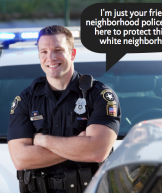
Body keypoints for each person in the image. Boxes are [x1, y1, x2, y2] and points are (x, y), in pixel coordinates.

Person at [7, 25, 121, 193]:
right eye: (44, 51)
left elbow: (97, 151)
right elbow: (20, 159)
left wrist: (42, 141)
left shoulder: (99, 96)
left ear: (72, 53)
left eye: (58, 50)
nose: (50, 58)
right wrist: (81, 147)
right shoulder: (26, 100)